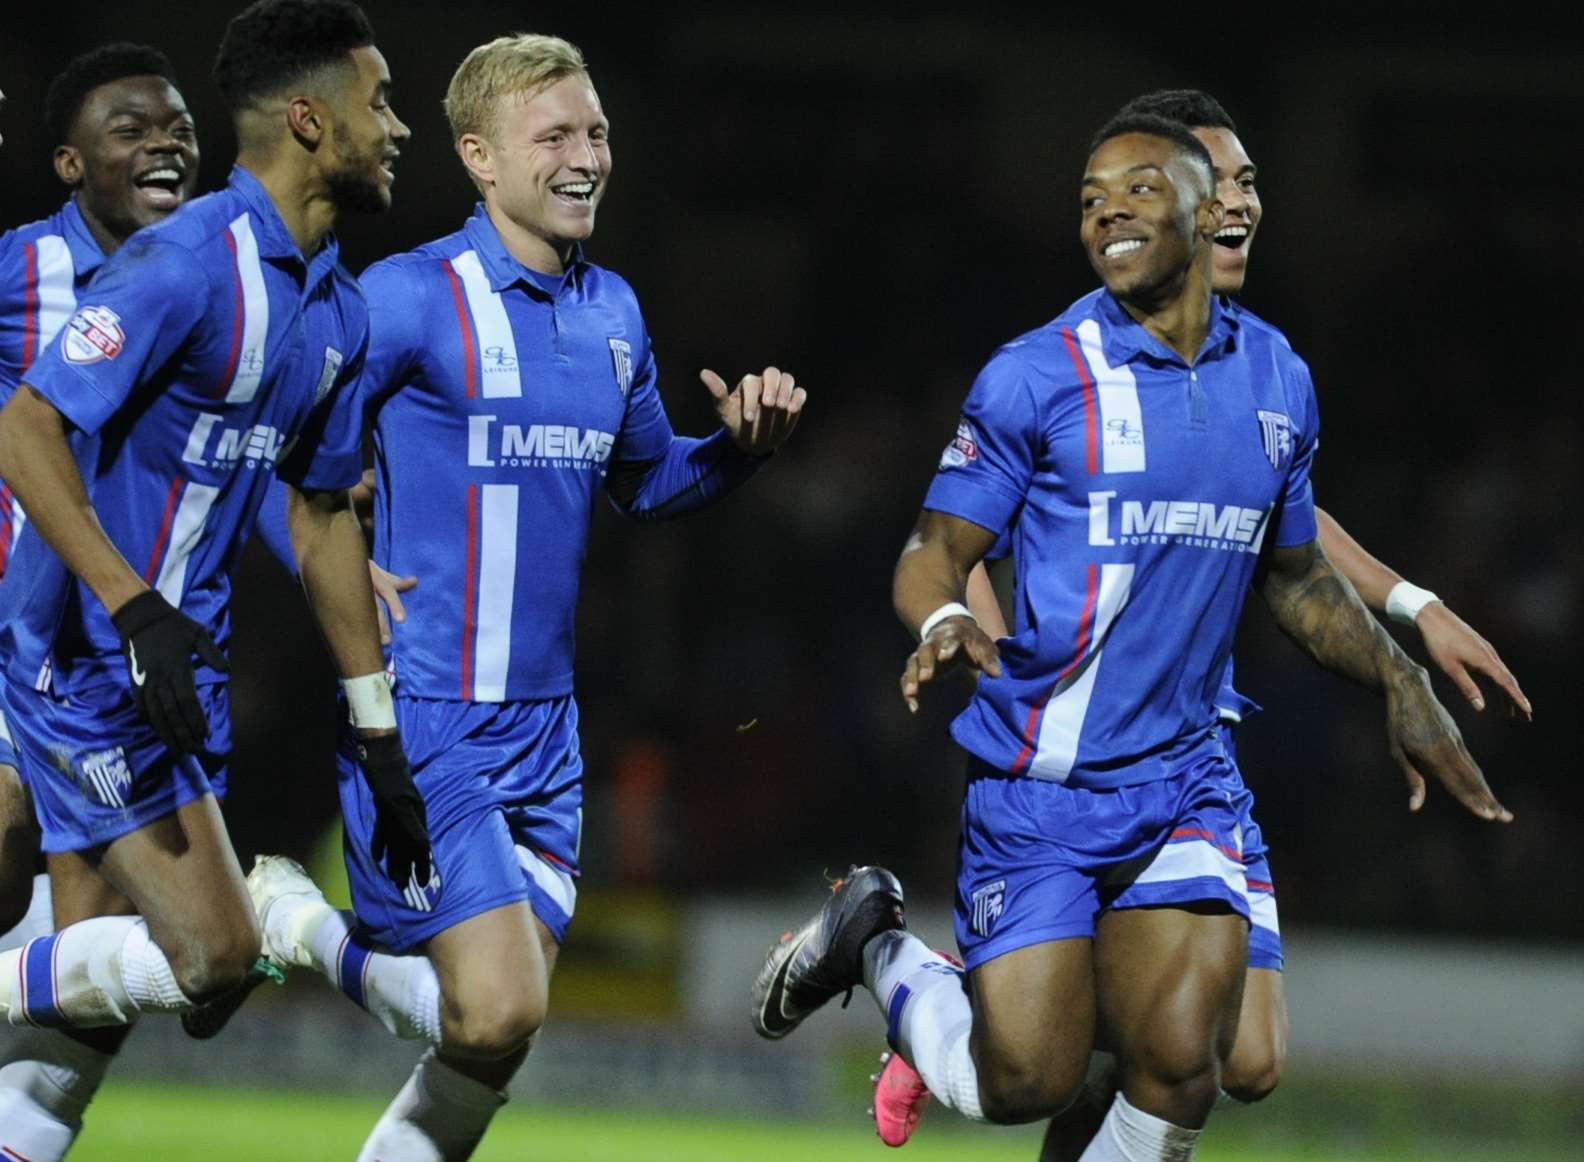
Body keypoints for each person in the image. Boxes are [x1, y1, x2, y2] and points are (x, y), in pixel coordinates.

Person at [752, 112, 1507, 1162]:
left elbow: (1293, 570)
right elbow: (933, 545)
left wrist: (1398, 673)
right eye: (1090, 197)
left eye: (1140, 188)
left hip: (1186, 782)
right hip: (1043, 788)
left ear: (1209, 211)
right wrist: (946, 613)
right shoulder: (1037, 376)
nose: (1107, 209)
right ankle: (879, 946)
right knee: (1025, 1079)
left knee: (1190, 1061)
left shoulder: (1277, 381)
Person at [243, 32, 805, 1160]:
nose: (587, 155)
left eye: (595, 132)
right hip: (425, 715)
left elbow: (648, 484)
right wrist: (327, 557)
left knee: (493, 1038)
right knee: (499, 1009)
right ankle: (301, 925)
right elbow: (266, 449)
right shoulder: (402, 301)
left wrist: (739, 449)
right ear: (479, 160)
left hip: (549, 734)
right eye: (554, 135)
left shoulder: (615, 315)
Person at [0, 0, 431, 1152]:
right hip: (81, 658)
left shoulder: (334, 302)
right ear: (308, 119)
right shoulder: (185, 261)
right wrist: (128, 602)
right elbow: (27, 427)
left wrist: (378, 730)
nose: (397, 129)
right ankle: (288, 912)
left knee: (96, 1012)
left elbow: (323, 514)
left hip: (173, 674)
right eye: (378, 102)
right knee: (220, 951)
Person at [0, 43, 204, 1157]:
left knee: (87, 971)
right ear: (71, 165)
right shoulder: (20, 270)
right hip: (17, 639)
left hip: (140, 667)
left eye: (177, 123)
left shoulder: (213, 282)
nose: (165, 139)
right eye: (131, 127)